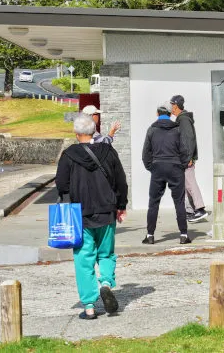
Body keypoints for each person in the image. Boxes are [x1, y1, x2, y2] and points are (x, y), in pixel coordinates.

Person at [55, 113, 128, 320]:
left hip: (81, 215)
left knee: (83, 258)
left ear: (76, 133)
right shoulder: (108, 151)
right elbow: (121, 181)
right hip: (107, 211)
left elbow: (61, 184)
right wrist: (121, 205)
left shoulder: (69, 155)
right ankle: (105, 283)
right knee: (106, 253)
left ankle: (89, 306)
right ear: (93, 130)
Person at [142, 101, 191, 245]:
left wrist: (152, 167)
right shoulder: (177, 129)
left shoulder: (151, 129)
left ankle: (150, 235)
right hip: (175, 168)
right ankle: (183, 235)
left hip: (158, 167)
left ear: (157, 113)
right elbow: (186, 151)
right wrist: (181, 166)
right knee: (179, 202)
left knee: (153, 203)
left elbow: (146, 154)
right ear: (170, 114)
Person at [170, 94, 208, 223]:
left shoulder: (183, 120)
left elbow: (188, 139)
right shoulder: (181, 119)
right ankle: (192, 211)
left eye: (172, 105)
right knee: (186, 185)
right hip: (183, 158)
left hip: (186, 159)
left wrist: (188, 157)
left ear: (176, 106)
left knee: (190, 183)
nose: (170, 107)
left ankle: (200, 209)